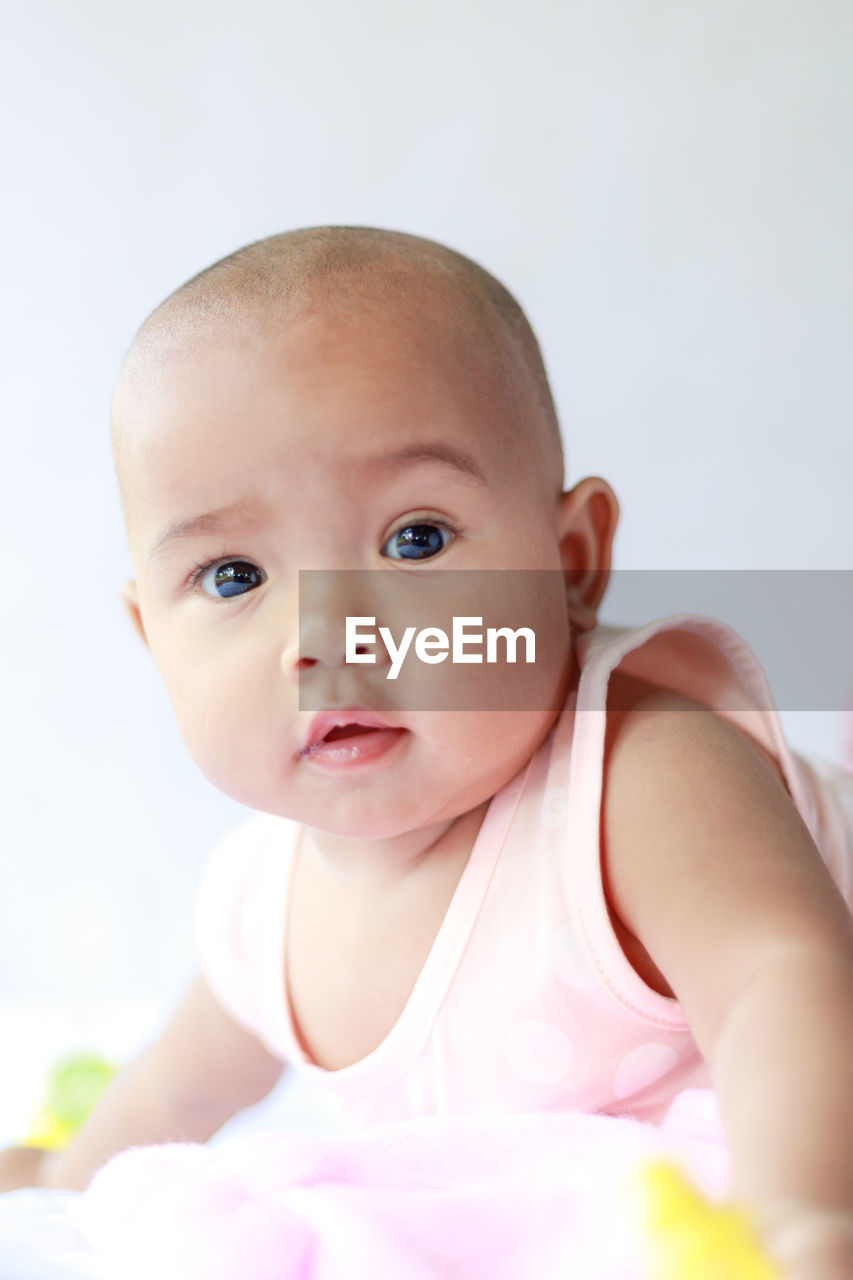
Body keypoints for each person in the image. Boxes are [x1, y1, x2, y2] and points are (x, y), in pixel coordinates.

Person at [1, 227, 851, 1277]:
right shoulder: (260, 904)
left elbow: (784, 979)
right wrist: (62, 1175)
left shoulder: (635, 771)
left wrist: (801, 1217)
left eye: (414, 539)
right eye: (232, 576)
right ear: (151, 640)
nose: (325, 632)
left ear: (570, 561)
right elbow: (175, 1091)